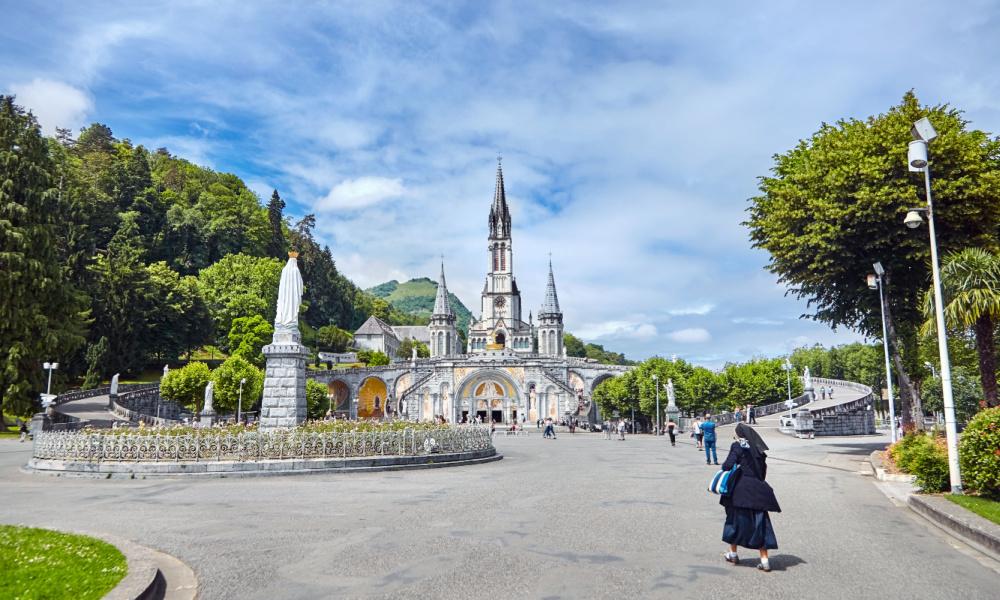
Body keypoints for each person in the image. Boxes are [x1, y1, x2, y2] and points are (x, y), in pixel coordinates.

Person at [720, 423, 780, 572]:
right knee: (761, 524)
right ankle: (765, 560)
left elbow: (727, 466)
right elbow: (762, 472)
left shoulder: (737, 446)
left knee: (735, 521)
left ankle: (733, 554)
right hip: (759, 490)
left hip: (741, 490)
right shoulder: (758, 449)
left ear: (739, 435)